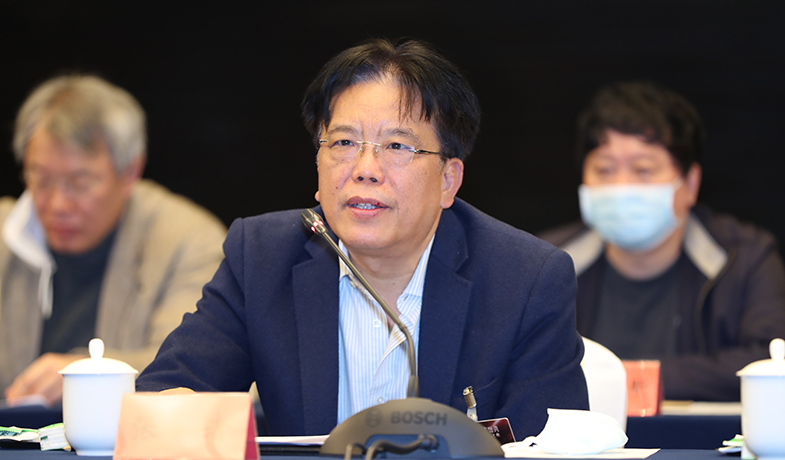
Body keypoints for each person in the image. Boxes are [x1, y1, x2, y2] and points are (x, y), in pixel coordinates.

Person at [136, 38, 588, 437]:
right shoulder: (261, 256)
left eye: (397, 146)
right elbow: (165, 397)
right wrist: (178, 412)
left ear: (448, 180)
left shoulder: (524, 280)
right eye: (344, 143)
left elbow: (555, 445)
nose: (365, 170)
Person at [540, 81, 785, 401]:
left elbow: (772, 360)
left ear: (690, 183)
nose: (621, 187)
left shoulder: (744, 259)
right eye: (605, 169)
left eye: (643, 170)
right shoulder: (545, 262)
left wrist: (632, 381)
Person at [1, 75, 227, 406]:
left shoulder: (187, 241)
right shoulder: (6, 232)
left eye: (80, 183)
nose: (57, 205)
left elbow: (198, 364)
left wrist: (87, 375)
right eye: (41, 179)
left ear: (130, 172)